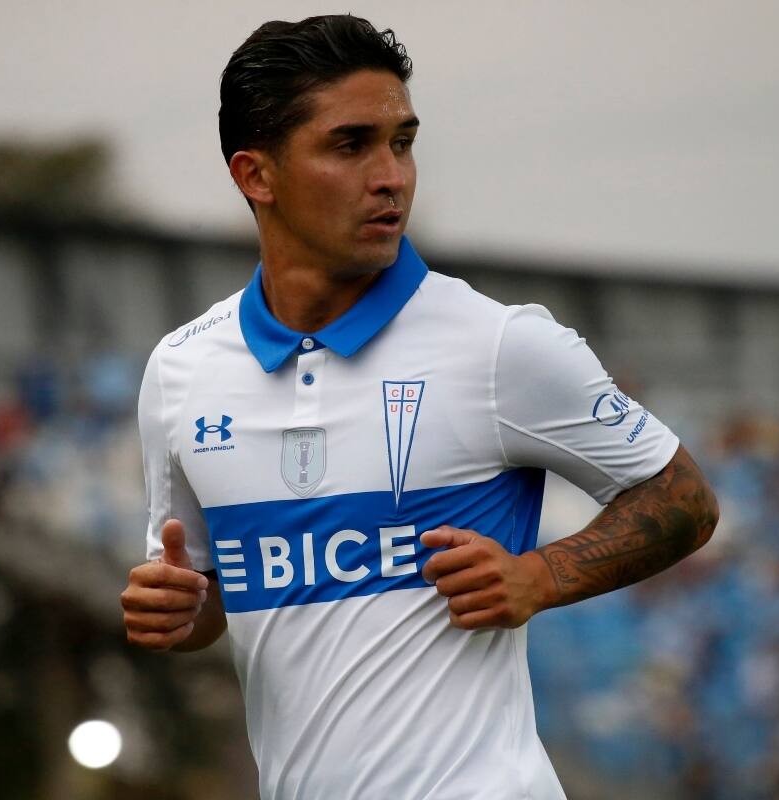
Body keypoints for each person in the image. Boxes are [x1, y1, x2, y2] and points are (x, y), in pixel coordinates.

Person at [120, 14, 719, 800]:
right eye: (350, 145)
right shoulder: (182, 372)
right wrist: (175, 612)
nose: (392, 177)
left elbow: (684, 498)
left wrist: (542, 575)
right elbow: (205, 601)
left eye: (401, 142)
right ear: (256, 175)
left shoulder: (499, 346)